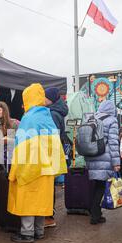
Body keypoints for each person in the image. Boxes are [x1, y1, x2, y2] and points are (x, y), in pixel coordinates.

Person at [8, 83, 68, 243]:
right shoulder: (47, 115)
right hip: (46, 168)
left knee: (28, 198)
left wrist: (16, 168)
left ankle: (27, 233)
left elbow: (22, 145)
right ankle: (39, 231)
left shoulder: (29, 117)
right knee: (42, 199)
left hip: (31, 167)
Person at [85, 100, 121, 225]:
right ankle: (95, 215)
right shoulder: (112, 120)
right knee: (101, 186)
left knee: (95, 185)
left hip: (91, 155)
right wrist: (116, 163)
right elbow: (113, 143)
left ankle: (96, 212)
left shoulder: (92, 117)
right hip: (104, 157)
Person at [45, 87, 69, 228]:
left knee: (49, 184)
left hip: (51, 151)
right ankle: (49, 213)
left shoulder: (53, 114)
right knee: (51, 183)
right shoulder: (57, 111)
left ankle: (49, 215)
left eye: (45, 97)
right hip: (55, 150)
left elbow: (51, 136)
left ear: (51, 98)